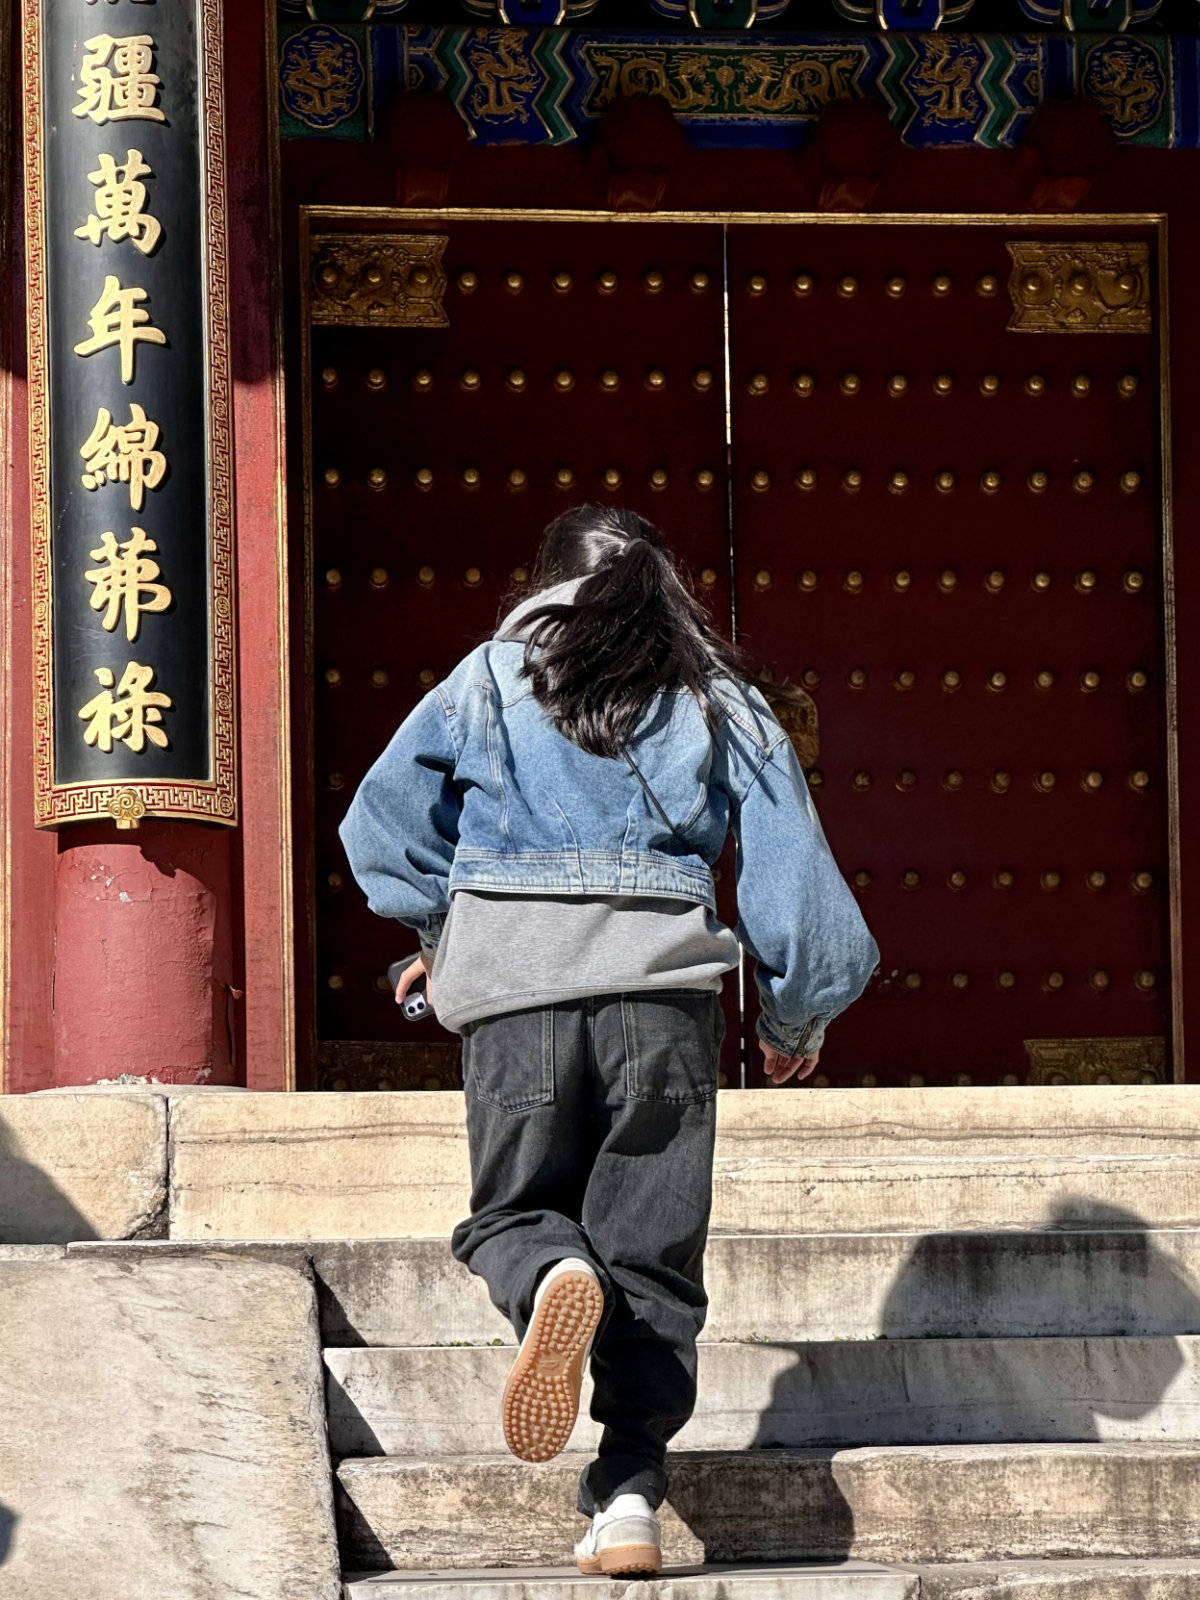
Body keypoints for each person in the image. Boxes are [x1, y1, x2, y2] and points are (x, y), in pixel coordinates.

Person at [340, 505, 878, 1576]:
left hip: (515, 1001)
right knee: (653, 1262)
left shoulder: (484, 678)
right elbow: (798, 885)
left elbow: (380, 825)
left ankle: (545, 1275)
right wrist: (792, 1017)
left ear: (541, 583)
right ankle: (628, 1494)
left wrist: (442, 933)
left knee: (511, 1214)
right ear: (663, 585)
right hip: (662, 1004)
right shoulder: (714, 695)